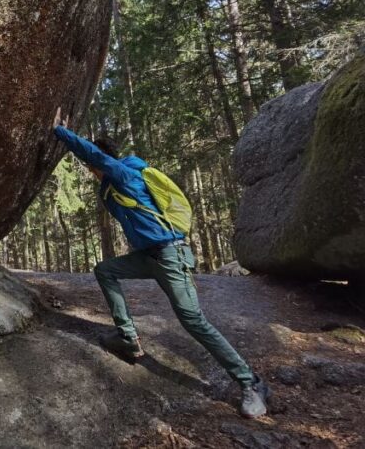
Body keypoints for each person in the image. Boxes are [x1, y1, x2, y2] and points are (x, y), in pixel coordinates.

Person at [51, 109, 270, 418]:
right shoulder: (112, 187)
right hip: (148, 257)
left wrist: (61, 133)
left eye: (92, 167)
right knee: (106, 270)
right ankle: (128, 338)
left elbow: (99, 159)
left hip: (169, 255)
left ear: (101, 162)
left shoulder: (126, 173)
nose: (92, 173)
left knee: (193, 321)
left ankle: (251, 383)